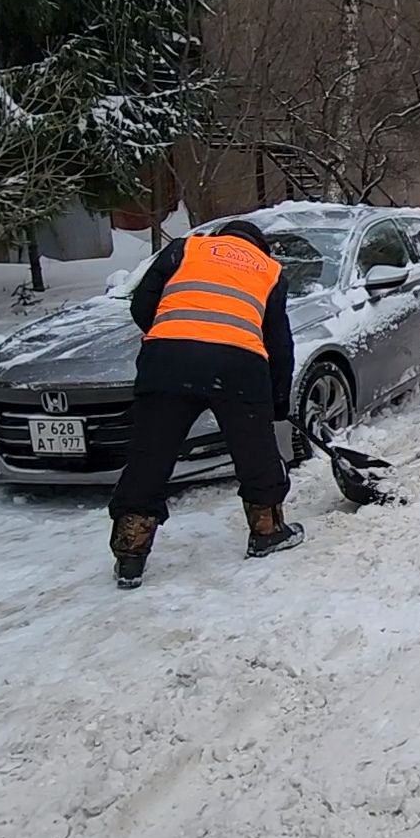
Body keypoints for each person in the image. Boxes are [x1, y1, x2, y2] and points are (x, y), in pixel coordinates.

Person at [108, 220, 305, 589]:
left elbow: (142, 305)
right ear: (259, 247)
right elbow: (279, 345)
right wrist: (277, 401)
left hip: (166, 361)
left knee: (150, 455)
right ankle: (267, 531)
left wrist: (177, 337)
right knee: (256, 451)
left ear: (219, 238)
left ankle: (130, 553)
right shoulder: (269, 270)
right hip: (238, 366)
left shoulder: (185, 248)